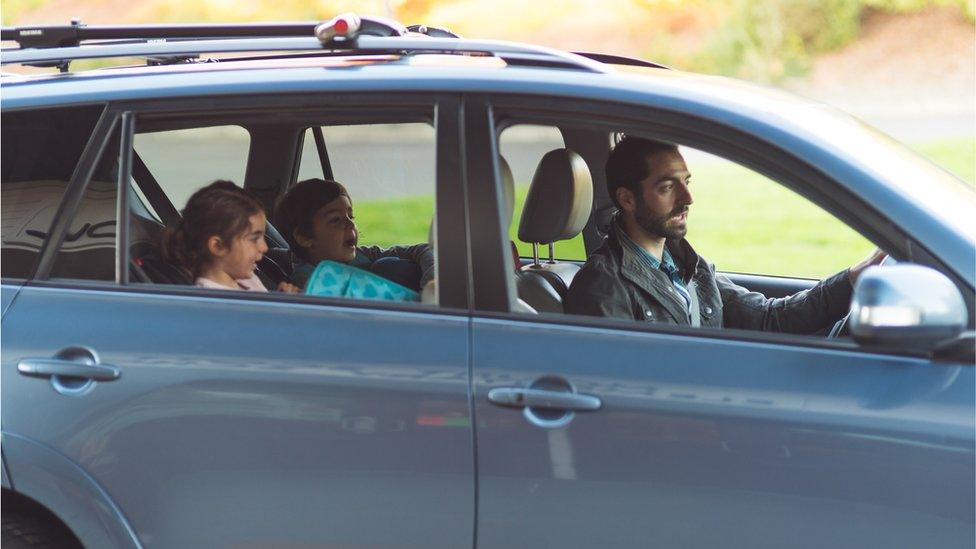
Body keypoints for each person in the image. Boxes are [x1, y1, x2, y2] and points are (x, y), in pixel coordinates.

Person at [565, 136, 885, 332]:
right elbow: (620, 391)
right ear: (627, 199)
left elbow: (768, 320)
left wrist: (854, 279)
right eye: (666, 187)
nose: (687, 199)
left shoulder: (687, 265)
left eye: (686, 182)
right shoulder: (603, 286)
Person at [273, 178, 435, 290]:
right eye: (336, 220)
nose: (350, 224)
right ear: (304, 237)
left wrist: (431, 285)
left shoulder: (363, 255)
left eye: (351, 216)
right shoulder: (308, 281)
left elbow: (422, 249)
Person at [162, 180, 300, 293]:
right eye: (254, 239)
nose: (264, 247)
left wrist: (282, 300)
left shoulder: (248, 280)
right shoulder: (211, 299)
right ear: (218, 246)